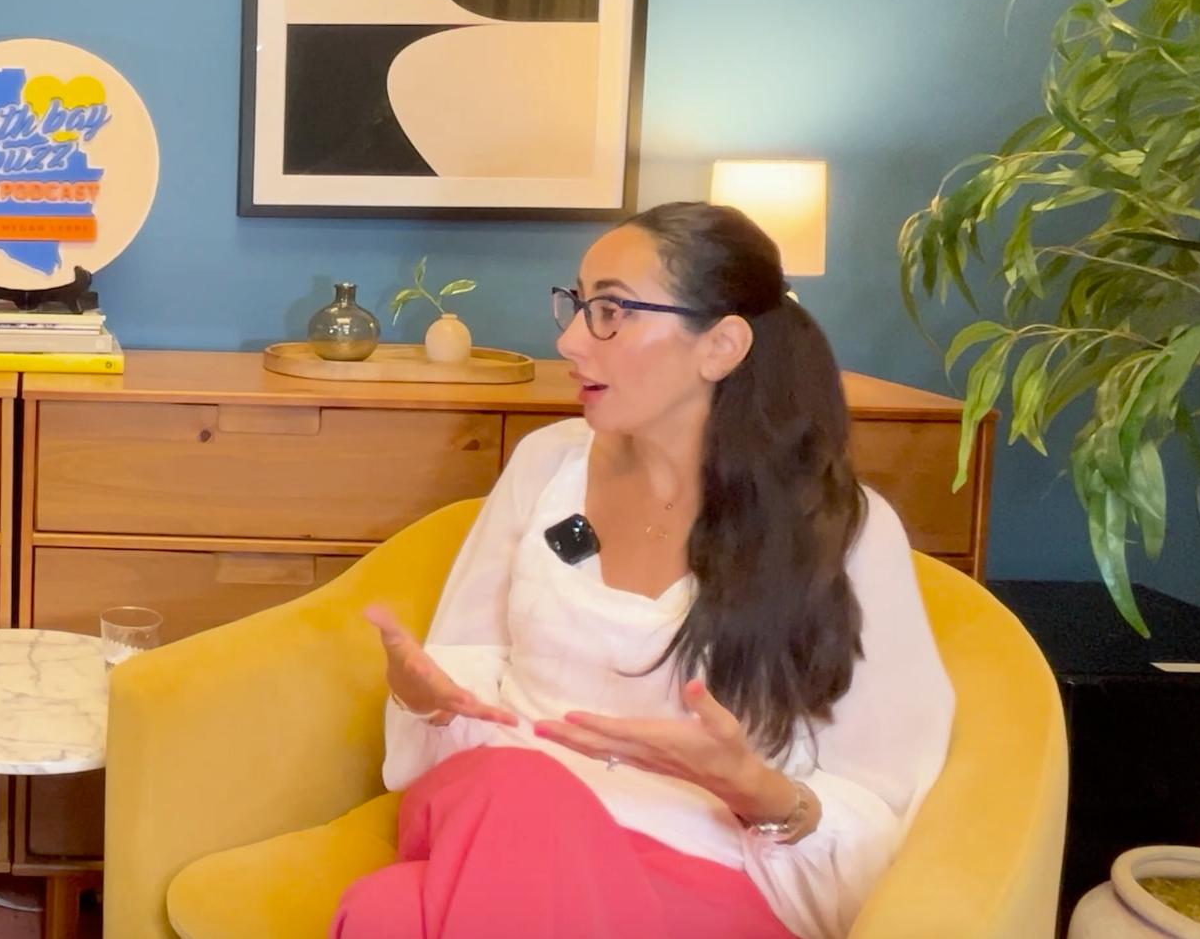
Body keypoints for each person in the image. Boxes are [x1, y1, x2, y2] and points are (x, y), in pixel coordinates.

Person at [331, 203, 953, 939]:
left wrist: (751, 786)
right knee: (519, 785)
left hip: (712, 867)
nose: (568, 339)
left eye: (611, 312)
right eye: (577, 305)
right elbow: (468, 672)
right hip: (495, 806)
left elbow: (883, 795)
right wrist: (427, 699)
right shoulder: (546, 465)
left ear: (720, 345)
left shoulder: (841, 529)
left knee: (385, 914)